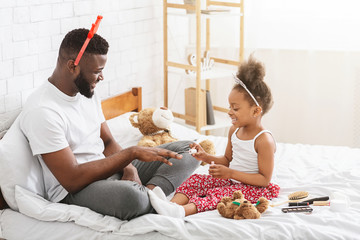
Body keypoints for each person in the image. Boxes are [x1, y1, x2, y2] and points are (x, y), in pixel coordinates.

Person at [19, 28, 199, 220]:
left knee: (192, 150)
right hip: (78, 188)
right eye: (97, 72)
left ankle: (152, 195)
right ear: (73, 66)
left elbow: (107, 142)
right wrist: (131, 153)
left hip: (110, 168)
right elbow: (71, 179)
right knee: (132, 198)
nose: (102, 77)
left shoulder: (86, 92)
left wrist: (129, 168)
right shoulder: (43, 110)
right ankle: (145, 198)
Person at [149, 56, 280, 218]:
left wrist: (230, 173)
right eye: (229, 106)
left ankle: (181, 211)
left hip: (255, 188)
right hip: (233, 180)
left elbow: (264, 180)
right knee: (196, 180)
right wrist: (205, 156)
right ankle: (170, 205)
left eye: (235, 108)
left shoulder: (263, 140)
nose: (229, 111)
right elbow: (226, 159)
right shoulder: (234, 130)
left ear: (255, 111)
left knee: (219, 195)